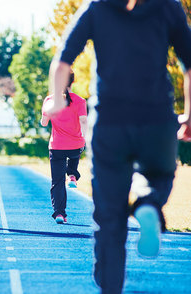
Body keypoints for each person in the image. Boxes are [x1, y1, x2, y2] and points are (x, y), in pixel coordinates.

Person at [44, 0, 191, 292]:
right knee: (159, 175)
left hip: (110, 121)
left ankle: (110, 286)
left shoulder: (97, 7)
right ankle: (149, 202)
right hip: (157, 118)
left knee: (109, 220)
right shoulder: (169, 6)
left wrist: (58, 102)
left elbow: (62, 61)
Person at [41, 69, 87, 224]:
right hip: (75, 145)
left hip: (57, 146)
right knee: (76, 151)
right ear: (72, 81)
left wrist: (46, 117)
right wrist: (84, 138)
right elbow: (83, 121)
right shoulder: (80, 101)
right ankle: (72, 173)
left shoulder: (49, 100)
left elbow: (43, 122)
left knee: (57, 182)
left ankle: (60, 214)